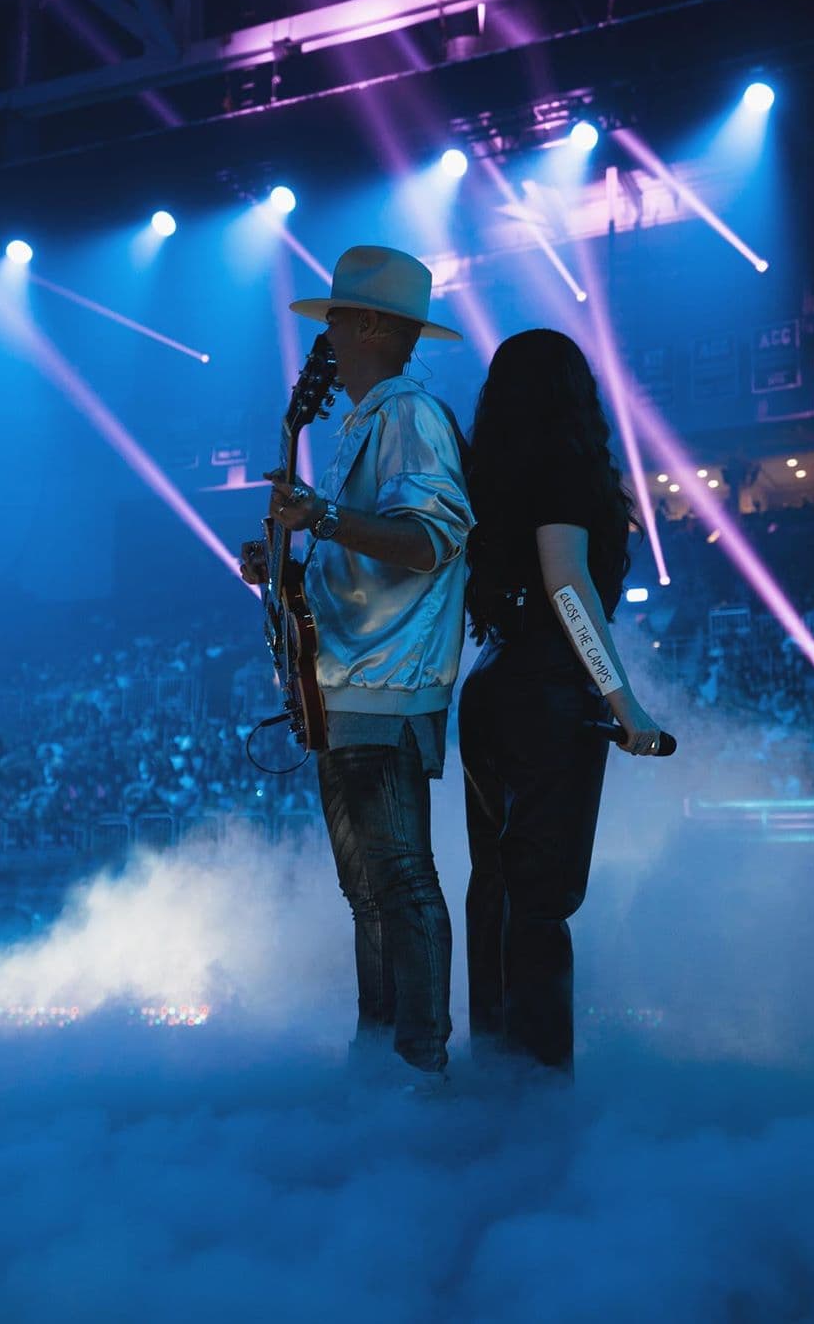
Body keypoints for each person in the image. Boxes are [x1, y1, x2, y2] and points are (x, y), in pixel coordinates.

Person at [242, 246, 472, 1092]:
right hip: (347, 686)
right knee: (368, 889)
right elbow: (364, 569)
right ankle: (381, 1054)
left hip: (385, 686)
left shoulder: (410, 415)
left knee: (399, 882)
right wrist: (286, 563)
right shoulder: (365, 424)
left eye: (336, 319)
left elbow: (431, 540)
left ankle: (419, 1064)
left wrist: (325, 519)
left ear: (370, 325)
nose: (325, 338)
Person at [459, 329, 666, 1078]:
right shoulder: (567, 466)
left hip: (489, 684)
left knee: (496, 890)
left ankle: (494, 1075)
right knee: (540, 898)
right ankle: (539, 1094)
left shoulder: (484, 476)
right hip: (546, 691)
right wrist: (626, 703)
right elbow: (568, 584)